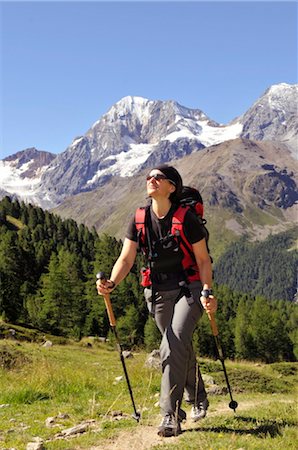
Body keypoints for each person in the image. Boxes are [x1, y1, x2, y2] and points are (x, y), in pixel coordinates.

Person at [96, 165, 217, 437]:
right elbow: (126, 258)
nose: (151, 180)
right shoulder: (139, 218)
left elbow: (203, 260)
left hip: (190, 288)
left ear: (171, 187)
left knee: (172, 344)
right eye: (149, 177)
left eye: (158, 177)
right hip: (158, 292)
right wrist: (112, 283)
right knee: (177, 345)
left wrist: (207, 291)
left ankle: (170, 415)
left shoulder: (187, 218)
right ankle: (199, 397)